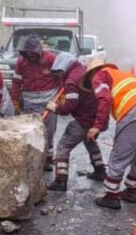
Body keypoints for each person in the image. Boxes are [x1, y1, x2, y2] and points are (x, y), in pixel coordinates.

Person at [78, 63, 136, 209]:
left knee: (119, 155)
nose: (92, 87)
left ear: (91, 73)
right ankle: (131, 191)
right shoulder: (122, 74)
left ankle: (111, 196)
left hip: (133, 112)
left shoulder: (99, 75)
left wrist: (96, 126)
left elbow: (105, 99)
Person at [45, 53, 109, 191]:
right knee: (89, 141)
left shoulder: (71, 80)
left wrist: (56, 108)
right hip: (98, 118)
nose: (58, 75)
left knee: (63, 145)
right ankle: (100, 170)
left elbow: (70, 106)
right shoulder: (82, 69)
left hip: (85, 119)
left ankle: (60, 180)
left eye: (59, 72)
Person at [10, 34, 61, 170]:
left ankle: (48, 159)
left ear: (38, 50)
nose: (31, 56)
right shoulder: (21, 62)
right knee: (31, 131)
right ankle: (33, 158)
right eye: (28, 53)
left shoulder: (51, 58)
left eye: (33, 53)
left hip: (48, 102)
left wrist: (60, 97)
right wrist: (15, 100)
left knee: (48, 131)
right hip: (29, 102)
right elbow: (16, 82)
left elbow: (60, 79)